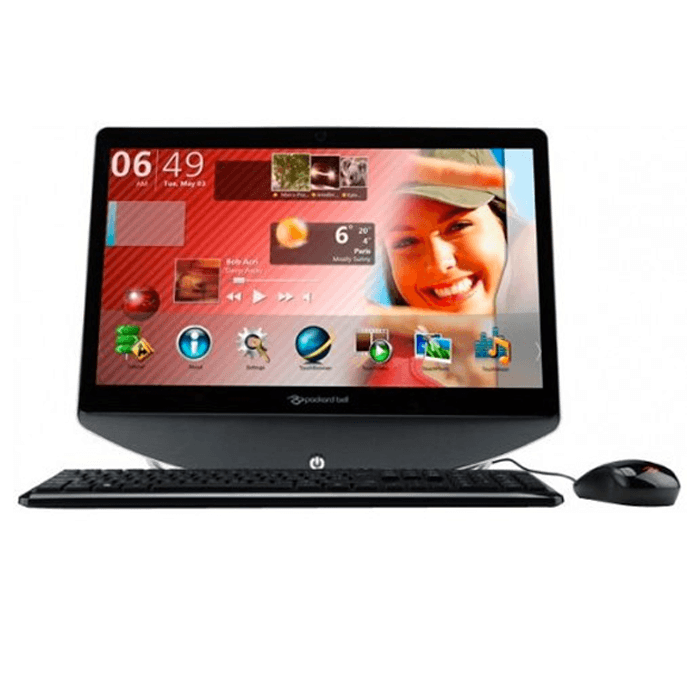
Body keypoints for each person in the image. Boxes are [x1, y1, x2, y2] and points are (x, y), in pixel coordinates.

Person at [364, 149, 518, 388]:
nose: (439, 263)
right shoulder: (381, 356)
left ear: (505, 224)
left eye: (458, 226)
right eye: (405, 241)